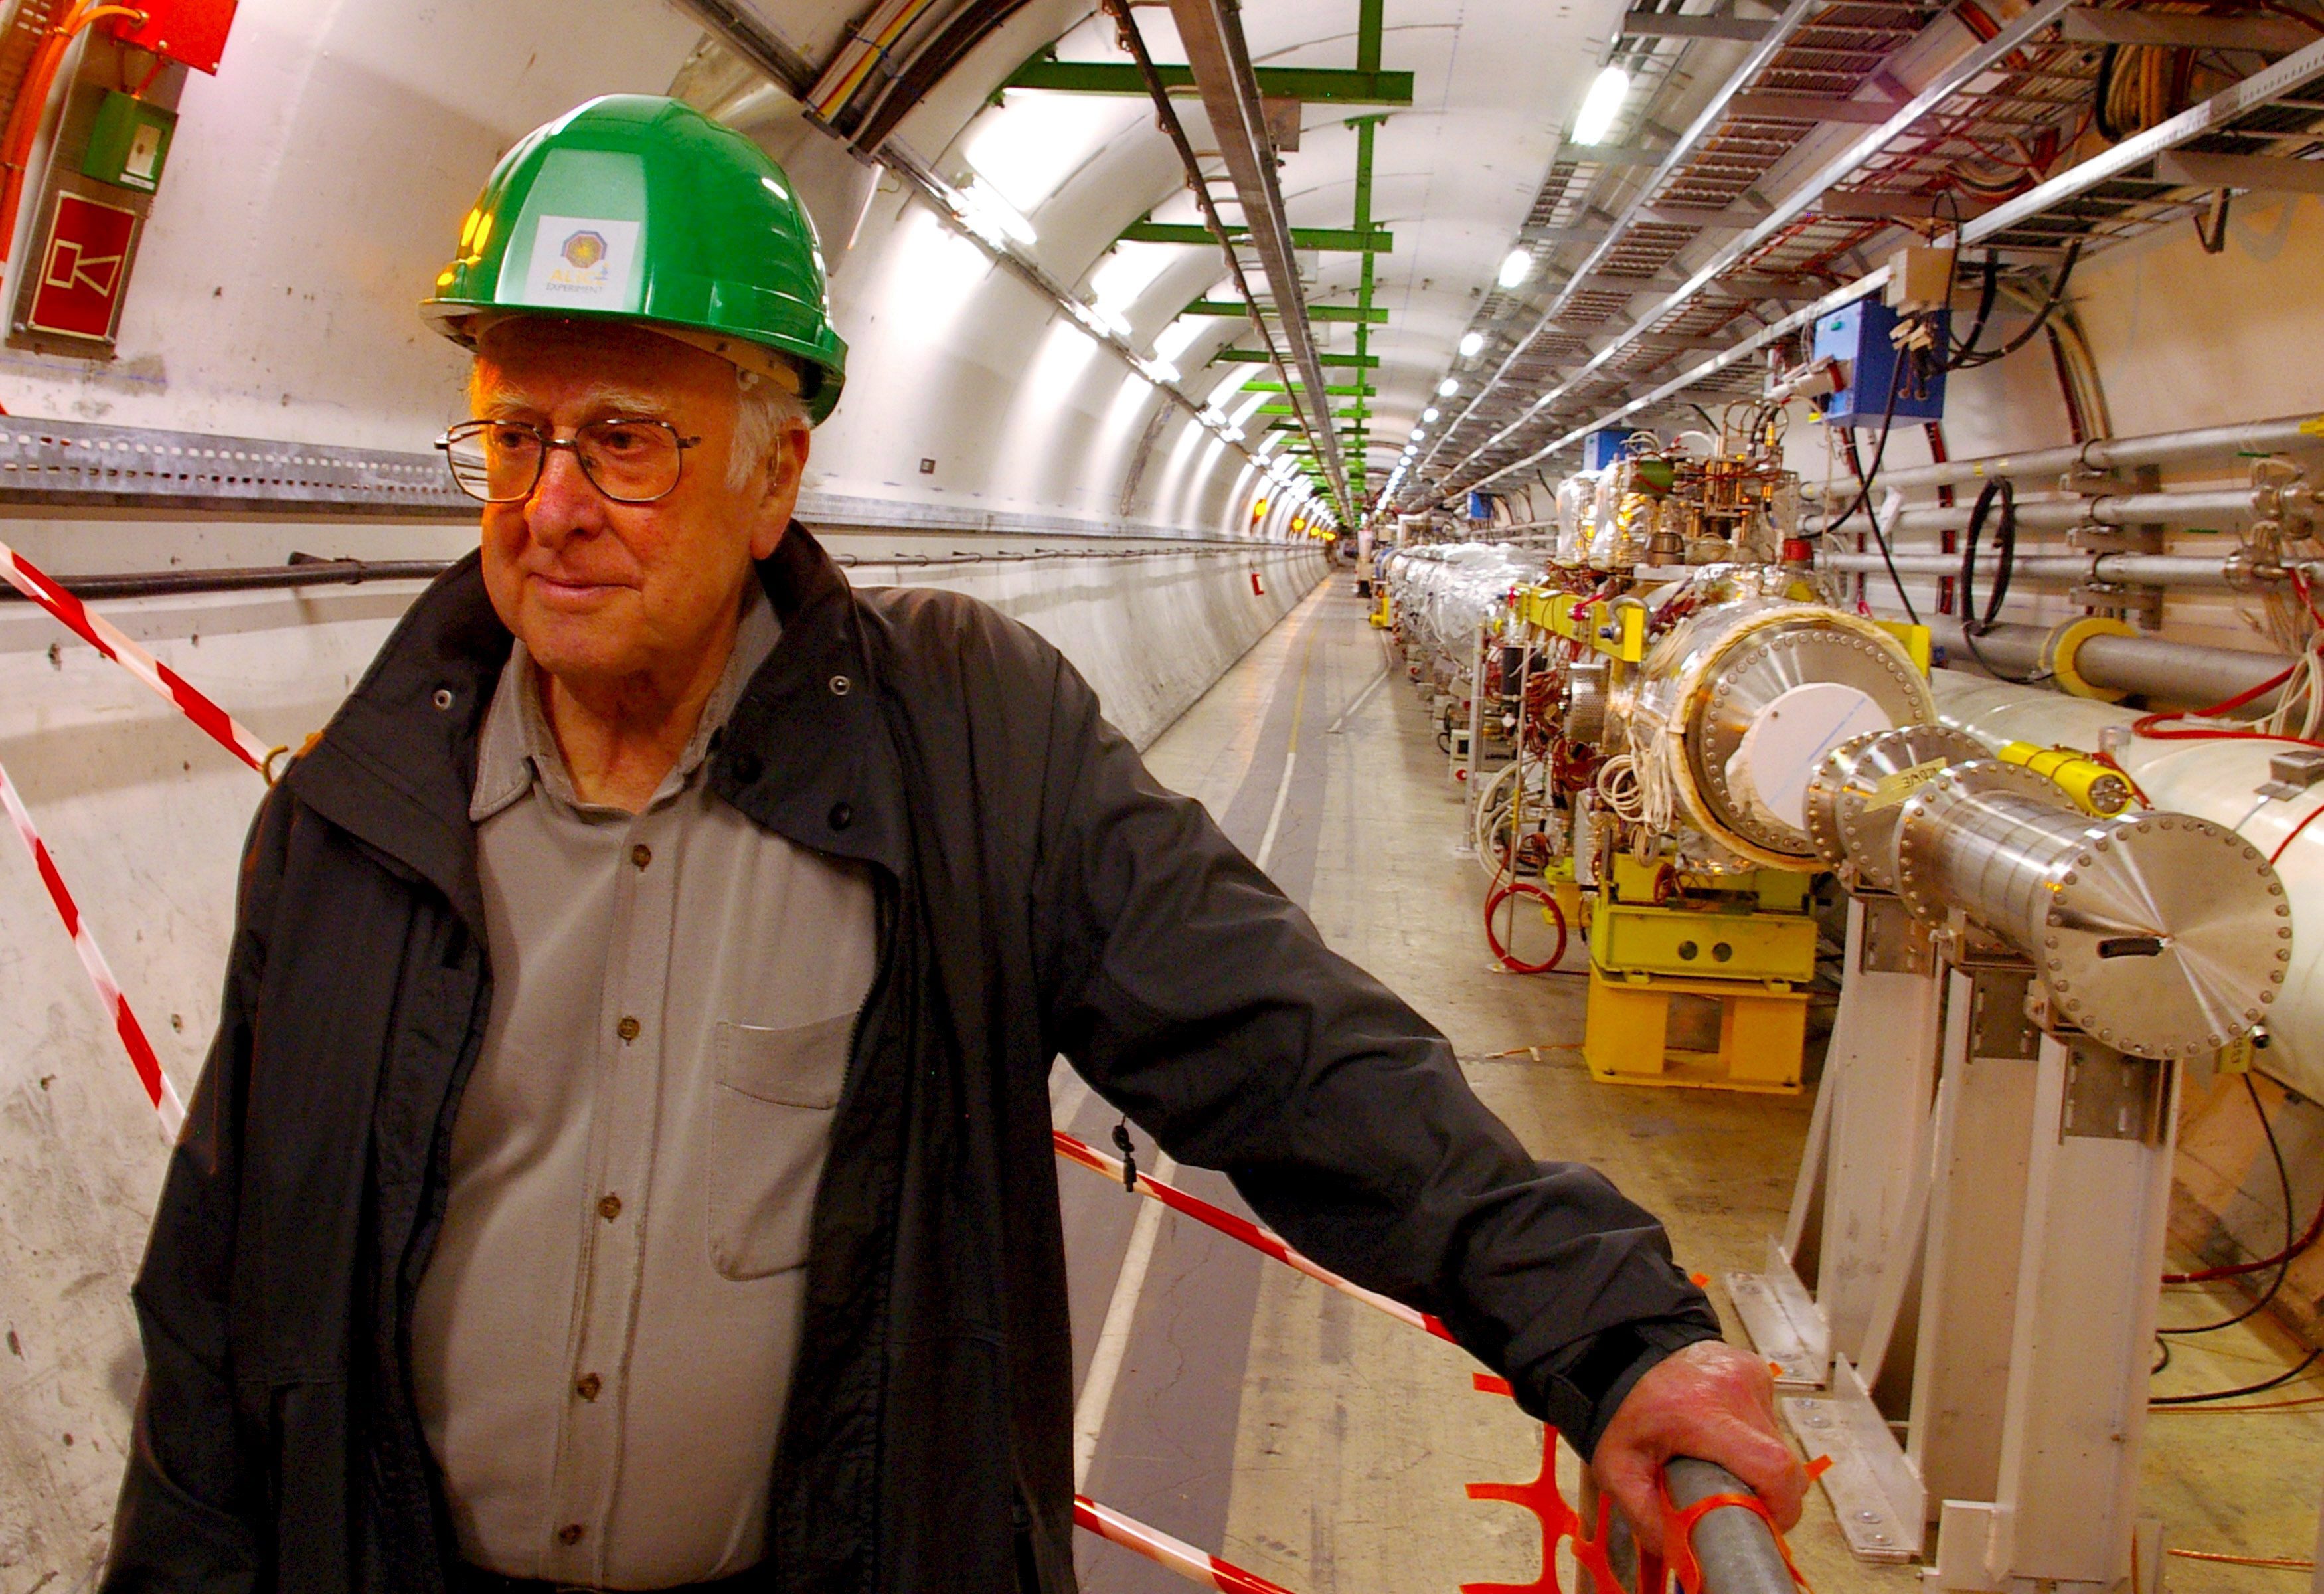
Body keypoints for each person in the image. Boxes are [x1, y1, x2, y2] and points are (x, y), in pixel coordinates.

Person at [103, 96, 1802, 1594]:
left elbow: (1283, 1045)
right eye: (513, 432)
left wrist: (1603, 1331)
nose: (550, 504)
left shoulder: (964, 746)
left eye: (622, 440)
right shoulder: (353, 816)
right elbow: (216, 1311)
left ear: (774, 478)